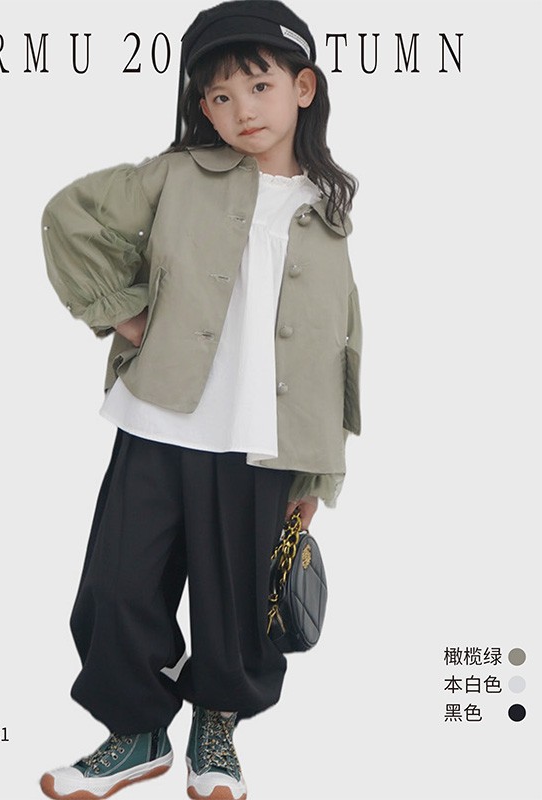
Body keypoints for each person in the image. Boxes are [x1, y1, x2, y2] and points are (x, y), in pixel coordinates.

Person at [39, 1, 362, 798]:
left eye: (259, 85)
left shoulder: (328, 210)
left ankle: (216, 727)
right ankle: (137, 734)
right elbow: (70, 217)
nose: (241, 109)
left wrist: (320, 472)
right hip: (158, 420)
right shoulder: (176, 174)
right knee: (118, 585)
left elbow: (338, 344)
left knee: (238, 604)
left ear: (304, 88)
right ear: (202, 108)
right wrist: (122, 311)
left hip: (262, 444)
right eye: (219, 95)